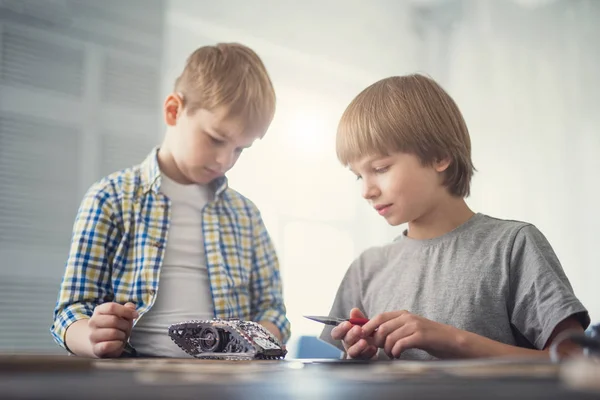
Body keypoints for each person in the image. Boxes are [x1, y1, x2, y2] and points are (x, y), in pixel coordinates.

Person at [319, 74, 589, 361]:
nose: (367, 191)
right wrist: (357, 358)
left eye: (381, 168)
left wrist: (453, 340)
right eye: (358, 176)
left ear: (440, 157)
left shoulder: (512, 246)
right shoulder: (366, 268)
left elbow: (575, 360)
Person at [50, 42, 290, 358]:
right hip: (132, 380)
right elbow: (71, 311)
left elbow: (274, 312)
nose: (224, 160)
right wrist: (91, 336)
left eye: (239, 149)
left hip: (230, 382)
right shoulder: (110, 198)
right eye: (216, 139)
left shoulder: (247, 215)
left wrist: (254, 341)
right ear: (174, 111)